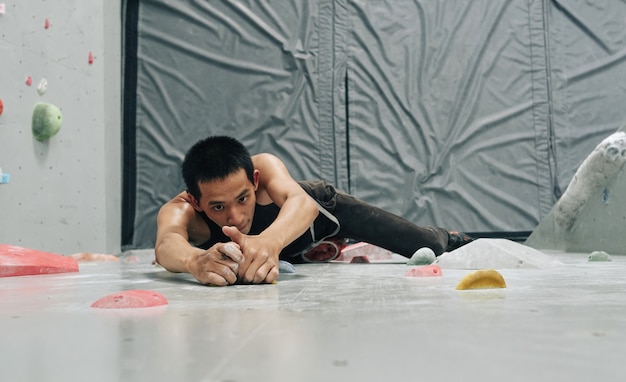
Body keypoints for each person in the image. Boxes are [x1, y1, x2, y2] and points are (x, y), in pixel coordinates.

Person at [155, 136, 472, 286]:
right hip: (284, 246)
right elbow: (167, 243)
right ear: (195, 202)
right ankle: (313, 252)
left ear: (253, 181)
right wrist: (195, 261)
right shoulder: (181, 209)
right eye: (218, 207)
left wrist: (267, 243)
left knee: (426, 246)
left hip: (322, 215)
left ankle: (450, 235)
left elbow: (301, 204)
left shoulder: (263, 167)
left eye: (242, 199)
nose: (236, 217)